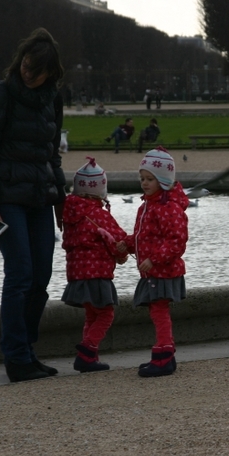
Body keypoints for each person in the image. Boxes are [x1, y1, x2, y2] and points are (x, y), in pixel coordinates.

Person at [0, 27, 67, 382]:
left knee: (40, 276)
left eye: (36, 70)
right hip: (7, 200)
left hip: (40, 198)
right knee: (21, 273)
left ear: (50, 73)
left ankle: (26, 349)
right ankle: (15, 356)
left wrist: (61, 200)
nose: (28, 73)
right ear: (20, 61)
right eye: (26, 65)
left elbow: (50, 153)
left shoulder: (52, 99)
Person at [118, 147, 189, 378]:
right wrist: (127, 244)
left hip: (162, 270)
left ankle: (164, 357)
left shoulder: (167, 207)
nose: (144, 183)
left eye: (150, 179)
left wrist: (153, 259)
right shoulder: (148, 205)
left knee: (159, 310)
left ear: (163, 180)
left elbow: (177, 240)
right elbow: (143, 236)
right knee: (158, 311)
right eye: (142, 178)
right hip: (154, 269)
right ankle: (164, 354)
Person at [60, 157, 128, 373]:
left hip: (77, 273)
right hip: (97, 272)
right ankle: (87, 351)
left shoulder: (69, 214)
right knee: (106, 314)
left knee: (91, 314)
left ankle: (90, 359)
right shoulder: (99, 214)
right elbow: (120, 241)